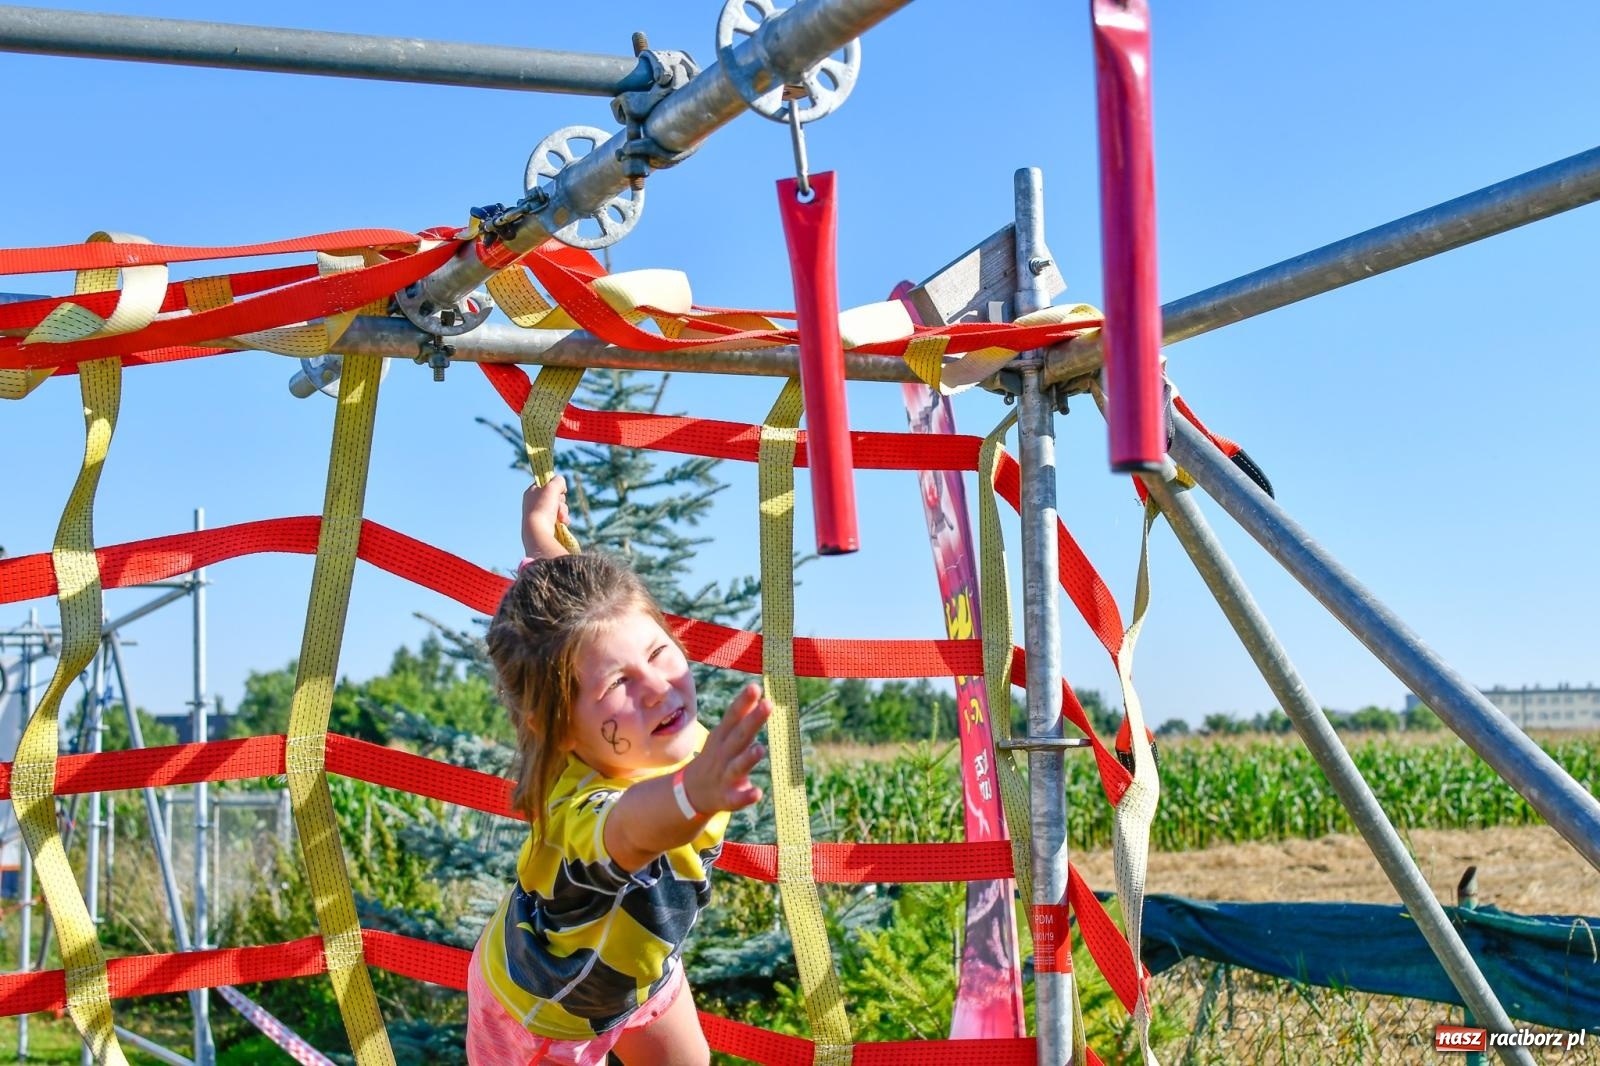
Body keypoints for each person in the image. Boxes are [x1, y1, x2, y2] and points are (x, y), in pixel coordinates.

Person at [467, 475, 771, 1065]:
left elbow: (587, 618)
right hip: (542, 1009)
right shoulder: (577, 808)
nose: (658, 688)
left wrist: (540, 539)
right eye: (618, 684)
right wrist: (691, 795)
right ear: (557, 727)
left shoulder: (664, 733)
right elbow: (631, 830)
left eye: (658, 652)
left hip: (639, 972)